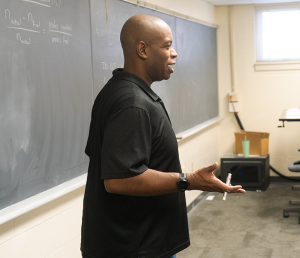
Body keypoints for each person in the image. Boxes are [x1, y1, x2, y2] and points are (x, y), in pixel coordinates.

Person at [81, 14, 245, 258]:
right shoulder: (132, 103)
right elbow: (120, 179)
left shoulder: (119, 92)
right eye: (167, 46)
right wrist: (187, 180)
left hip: (136, 242)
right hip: (134, 248)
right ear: (143, 50)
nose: (174, 53)